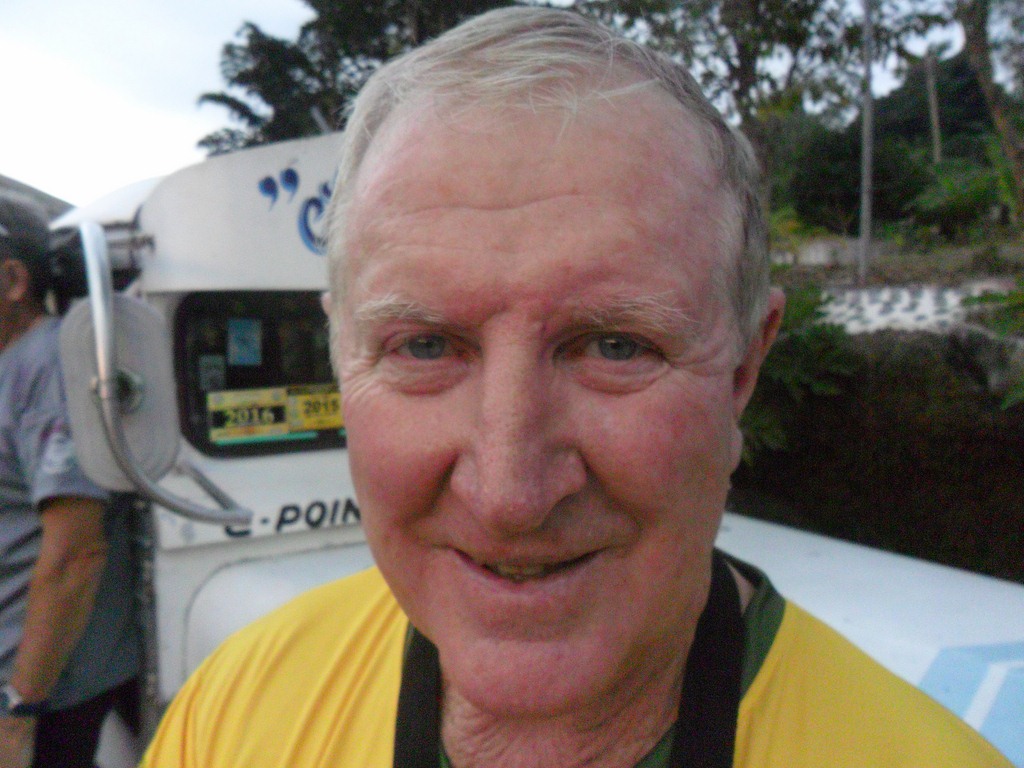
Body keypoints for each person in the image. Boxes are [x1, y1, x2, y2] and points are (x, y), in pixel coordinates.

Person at [141, 8, 1011, 767]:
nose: (510, 496)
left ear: (744, 369)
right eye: (425, 346)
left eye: (616, 347)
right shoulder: (234, 710)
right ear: (341, 356)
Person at [0, 192, 140, 768]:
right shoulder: (13, 363)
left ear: (14, 281)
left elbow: (76, 553)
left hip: (45, 691)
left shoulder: (49, 362)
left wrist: (19, 711)